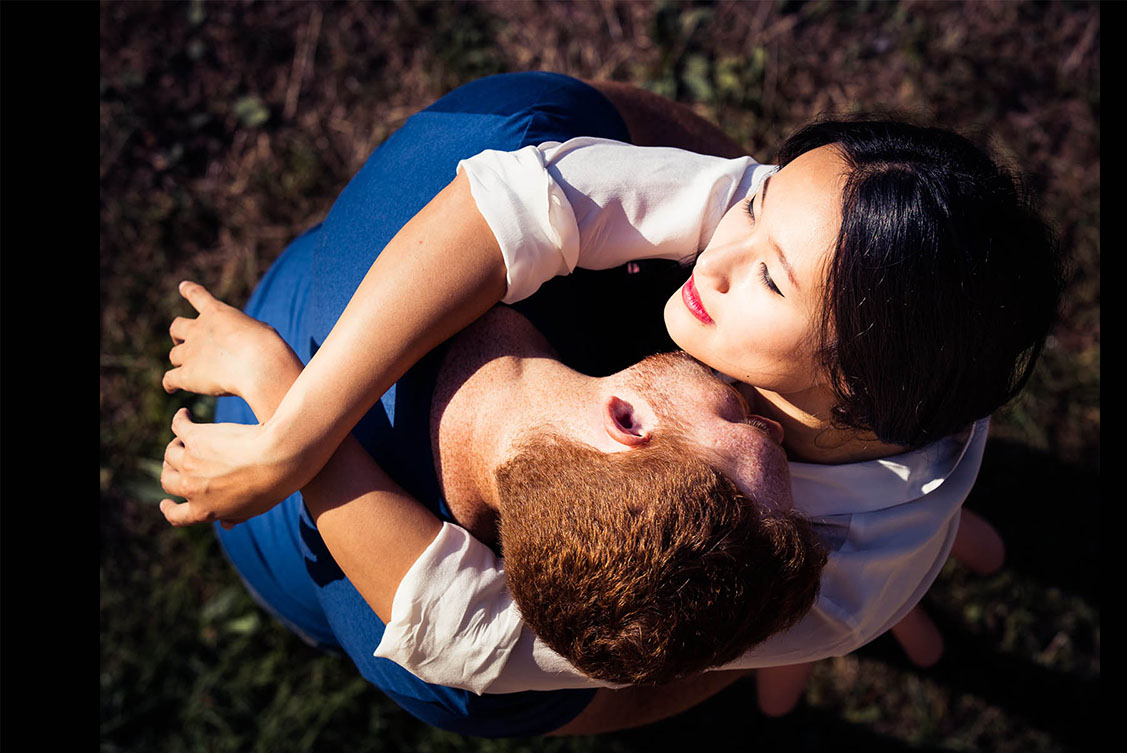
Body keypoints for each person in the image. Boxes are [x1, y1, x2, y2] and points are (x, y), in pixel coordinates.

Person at [160, 72, 1062, 718]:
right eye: (759, 198)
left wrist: (857, 609)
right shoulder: (821, 261)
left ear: (857, 398)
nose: (719, 241)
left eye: (773, 282)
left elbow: (486, 637)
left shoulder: (843, 581)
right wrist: (296, 436)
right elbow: (528, 200)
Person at [162, 273, 825, 735]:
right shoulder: (574, 654)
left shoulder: (467, 661)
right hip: (267, 541)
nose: (775, 427)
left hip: (274, 541)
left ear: (626, 421)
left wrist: (274, 387)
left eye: (742, 422)